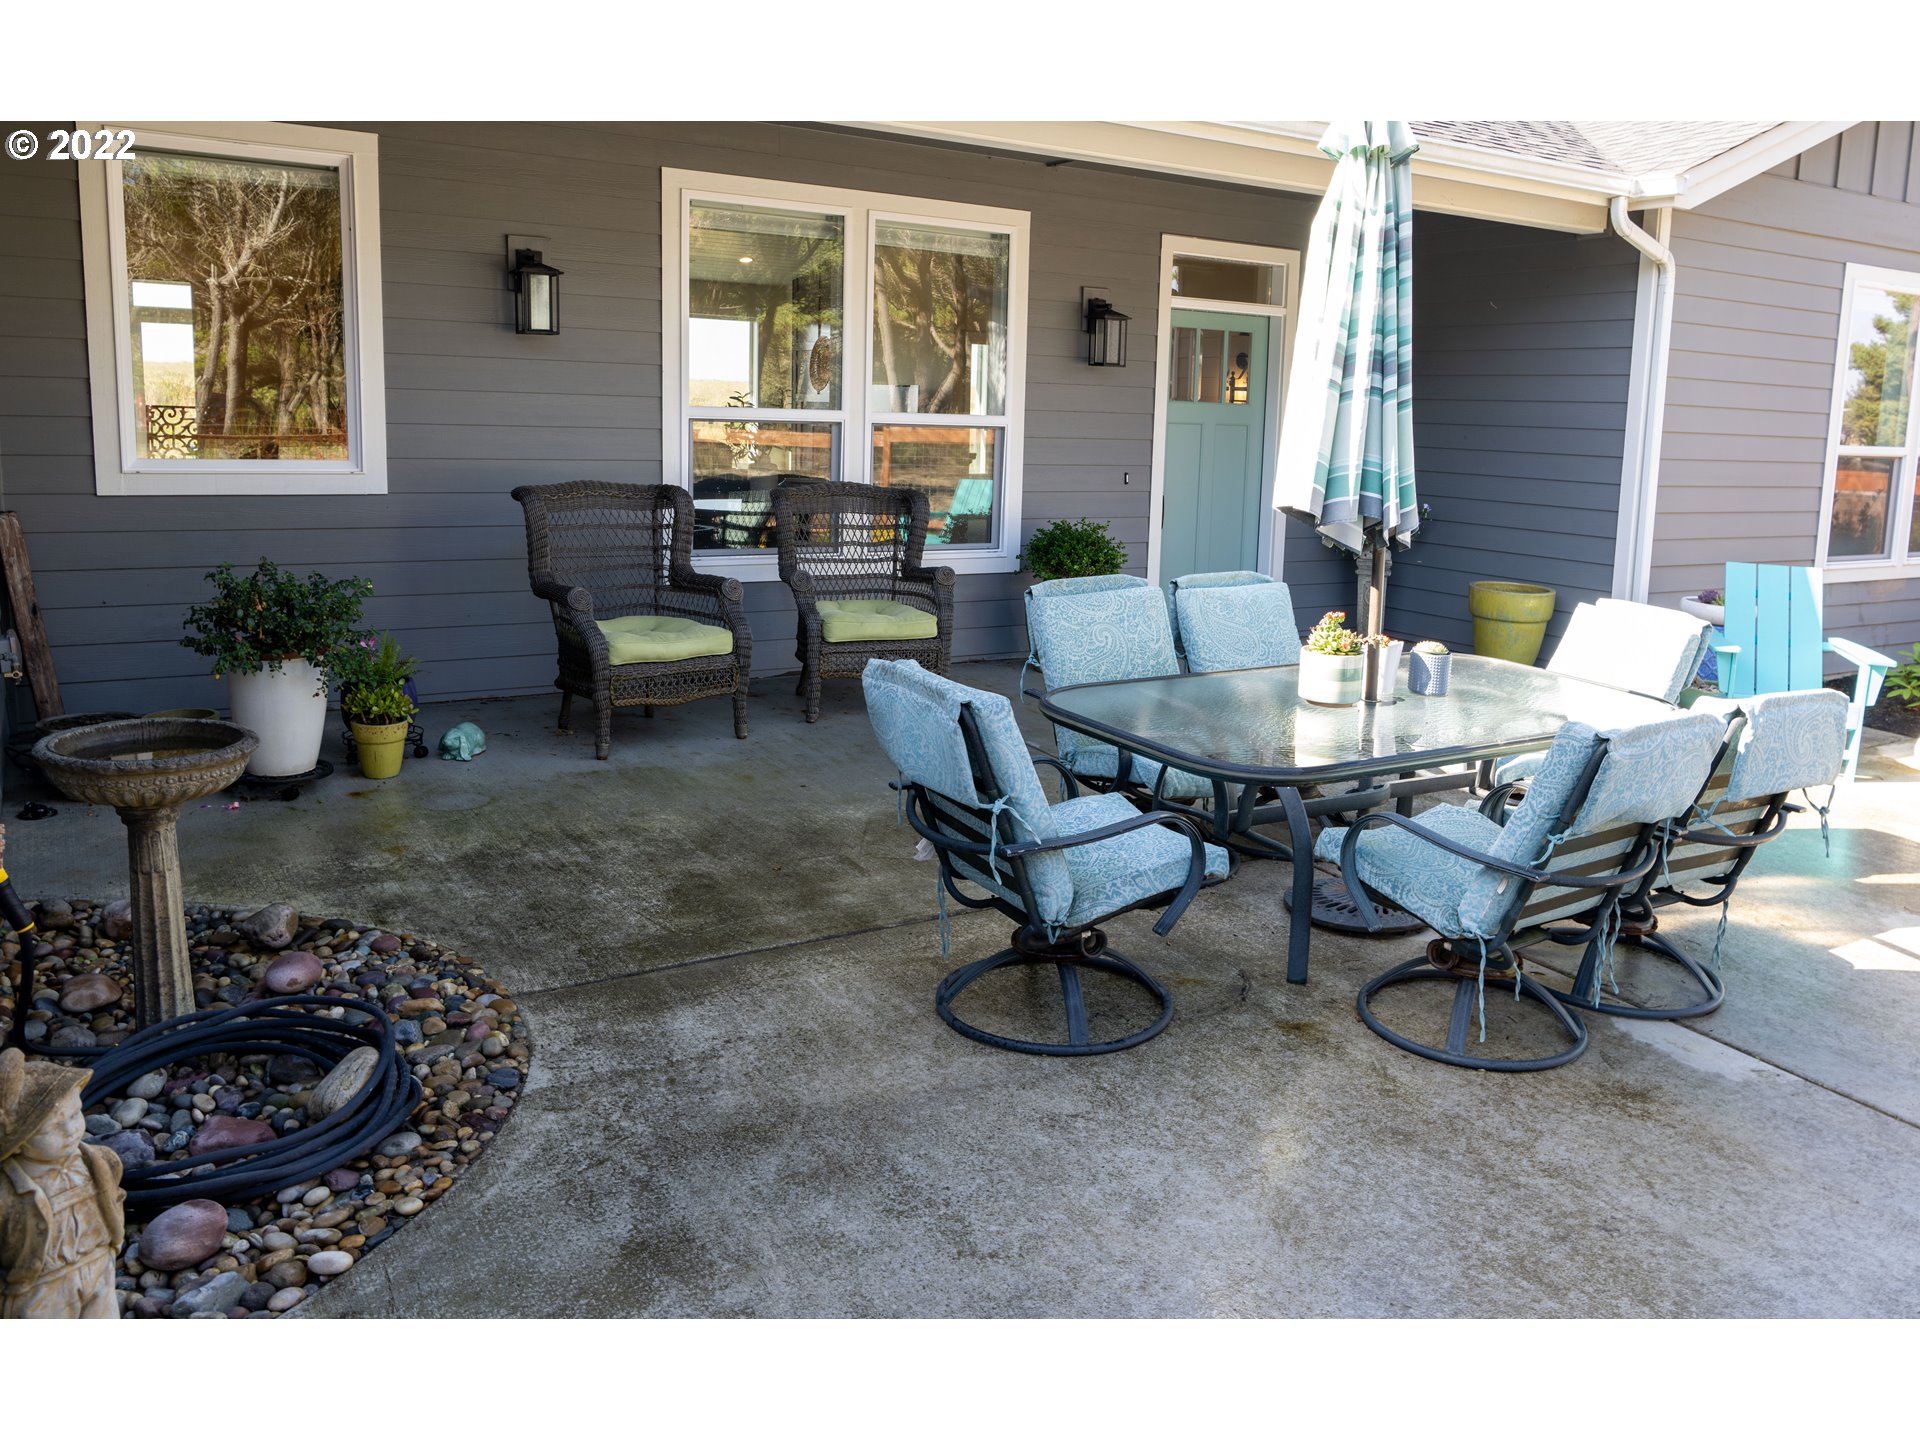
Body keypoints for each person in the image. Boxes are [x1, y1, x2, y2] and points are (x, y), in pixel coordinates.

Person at [0, 1047, 125, 1318]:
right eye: (53, 1127)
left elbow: (114, 1198)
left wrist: (112, 1246)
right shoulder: (7, 1191)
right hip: (42, 1283)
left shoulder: (101, 1162)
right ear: (19, 1140)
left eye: (75, 1115)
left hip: (99, 1263)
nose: (71, 1131)